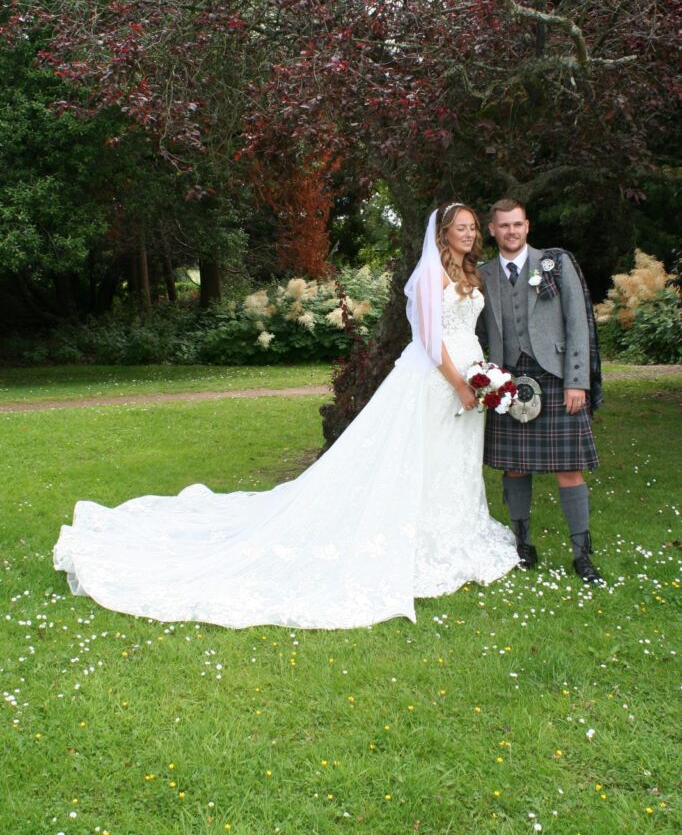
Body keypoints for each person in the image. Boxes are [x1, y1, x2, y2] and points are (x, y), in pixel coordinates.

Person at [54, 202, 520, 630]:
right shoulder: (430, 275)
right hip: (438, 380)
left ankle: (453, 534)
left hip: (469, 375)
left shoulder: (468, 272)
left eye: (472, 228)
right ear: (442, 233)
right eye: (460, 228)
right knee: (421, 458)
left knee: (450, 459)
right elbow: (430, 339)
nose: (468, 234)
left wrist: (480, 377)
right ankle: (419, 541)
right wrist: (460, 384)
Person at [476, 198, 604, 584]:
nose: (511, 231)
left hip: (555, 376)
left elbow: (577, 322)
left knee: (569, 467)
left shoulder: (555, 263)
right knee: (515, 467)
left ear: (527, 226)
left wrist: (577, 381)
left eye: (517, 224)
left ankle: (582, 555)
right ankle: (522, 545)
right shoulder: (482, 274)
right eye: (503, 225)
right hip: (508, 381)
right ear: (492, 230)